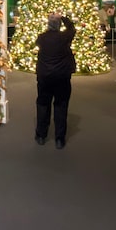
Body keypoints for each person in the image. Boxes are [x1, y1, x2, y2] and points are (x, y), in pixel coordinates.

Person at [35, 12, 76, 149]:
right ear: (59, 25)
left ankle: (41, 135)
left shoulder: (41, 38)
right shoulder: (64, 37)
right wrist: (62, 17)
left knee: (42, 104)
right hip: (62, 77)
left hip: (44, 77)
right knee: (61, 106)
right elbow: (72, 28)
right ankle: (59, 138)